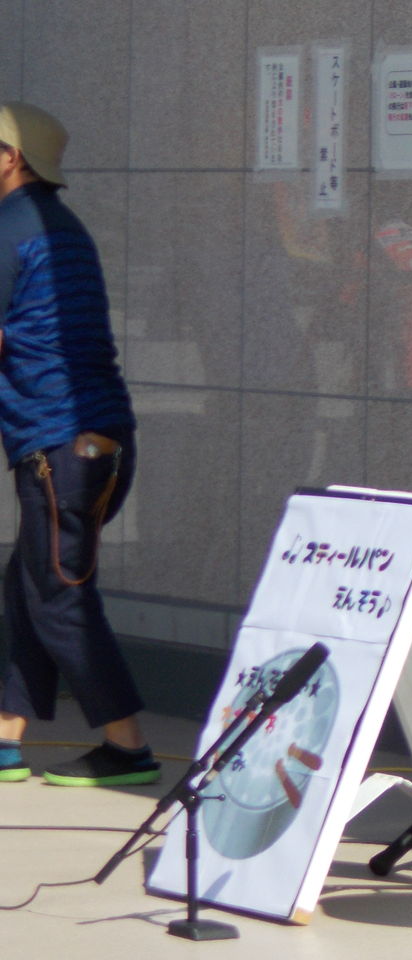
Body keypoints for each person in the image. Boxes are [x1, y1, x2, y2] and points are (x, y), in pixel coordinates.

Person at [0, 102, 158, 787]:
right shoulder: (59, 226)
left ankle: (128, 746)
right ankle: (5, 737)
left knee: (59, 595)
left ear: (11, 157)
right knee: (30, 586)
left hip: (59, 449)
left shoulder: (10, 228)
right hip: (89, 444)